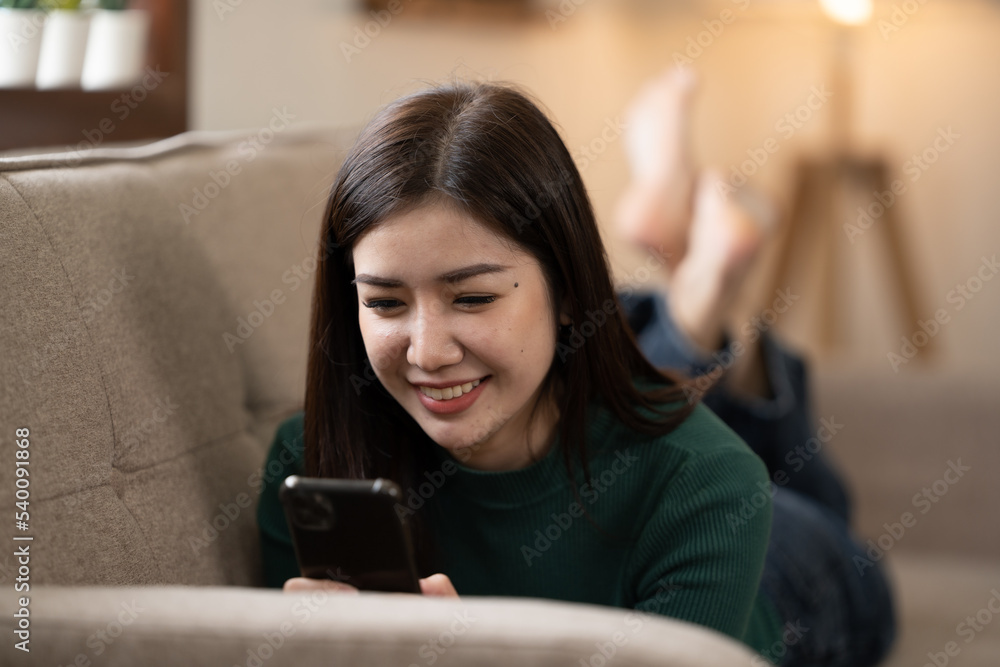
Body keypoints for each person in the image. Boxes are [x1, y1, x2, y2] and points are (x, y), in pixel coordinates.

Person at [256, 70, 896, 666]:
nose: (425, 353)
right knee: (651, 397)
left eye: (472, 297)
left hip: (796, 574)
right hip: (643, 461)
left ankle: (704, 293)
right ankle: (697, 285)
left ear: (569, 292)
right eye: (385, 302)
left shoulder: (714, 487)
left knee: (790, 492)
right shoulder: (312, 464)